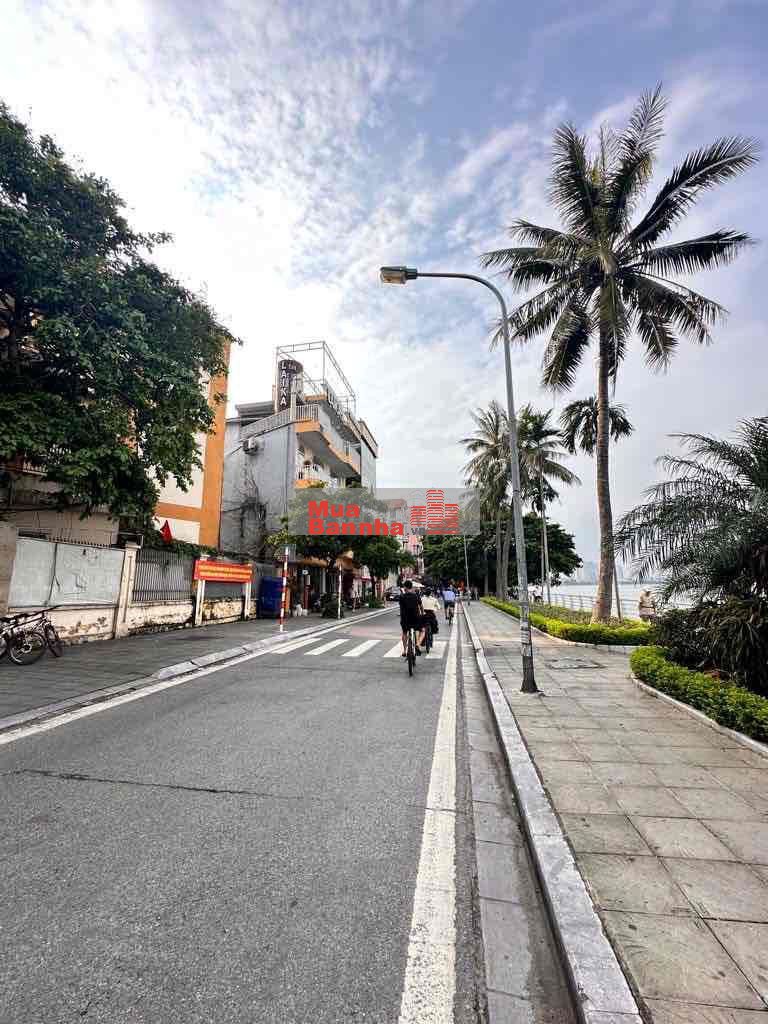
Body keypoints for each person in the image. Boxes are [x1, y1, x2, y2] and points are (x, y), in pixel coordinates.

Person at [399, 580, 424, 656]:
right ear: (411, 587)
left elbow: (401, 607)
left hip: (405, 619)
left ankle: (404, 650)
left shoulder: (402, 596)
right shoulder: (416, 596)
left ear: (405, 587)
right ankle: (418, 644)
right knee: (422, 631)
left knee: (404, 632)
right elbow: (421, 606)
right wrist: (422, 613)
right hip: (415, 618)